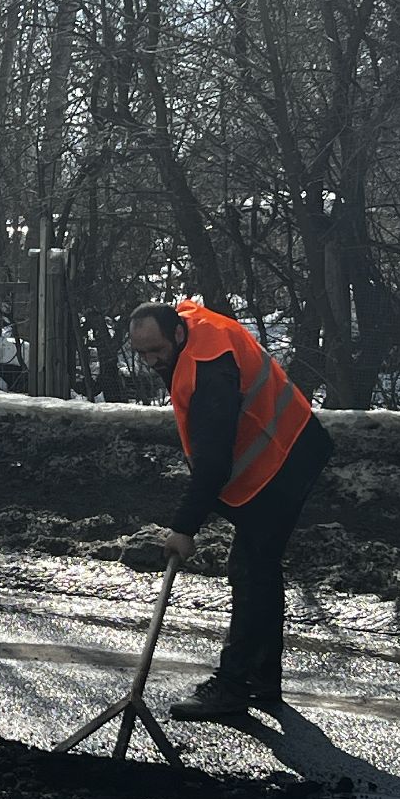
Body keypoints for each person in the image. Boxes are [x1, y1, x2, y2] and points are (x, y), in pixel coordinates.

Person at [127, 300, 333, 719]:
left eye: (157, 350)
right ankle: (262, 678)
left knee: (250, 569)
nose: (151, 361)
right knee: (260, 569)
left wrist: (184, 528)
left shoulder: (210, 372)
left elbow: (214, 464)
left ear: (177, 334)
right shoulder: (190, 325)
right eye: (141, 353)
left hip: (284, 461)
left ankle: (234, 688)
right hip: (290, 446)